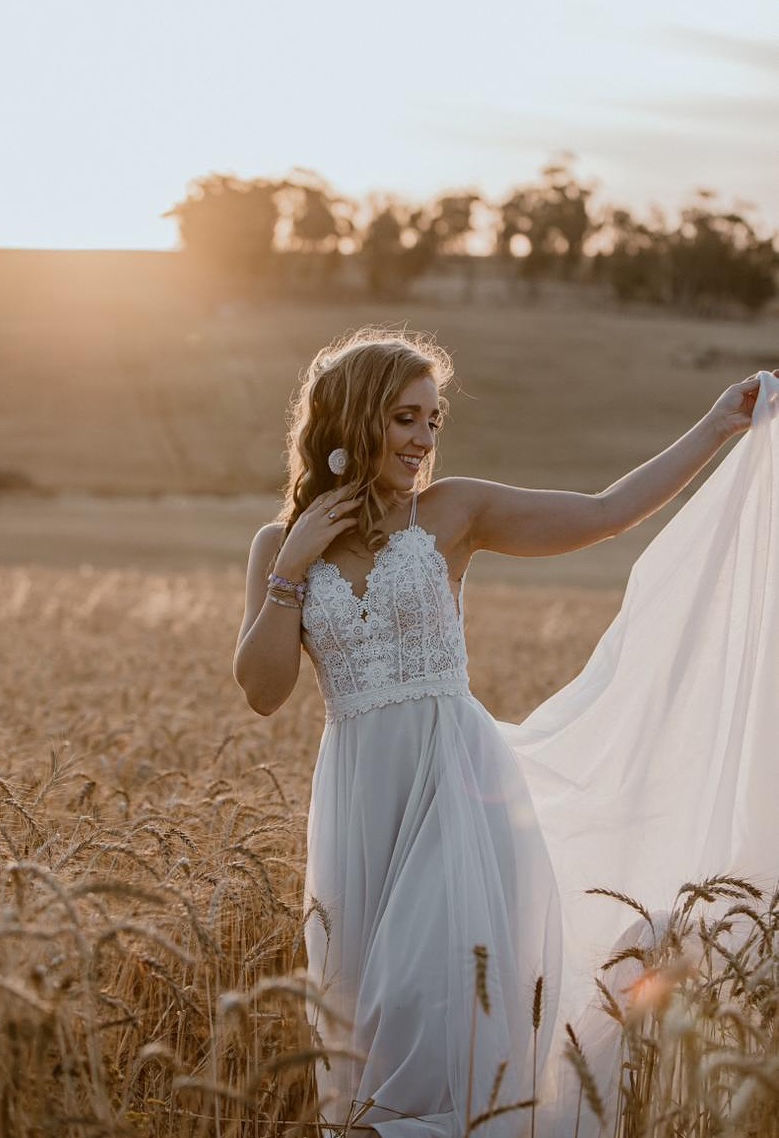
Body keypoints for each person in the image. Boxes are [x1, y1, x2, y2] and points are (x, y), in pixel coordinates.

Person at [233, 326, 778, 1138]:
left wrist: (714, 427)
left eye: (433, 420)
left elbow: (604, 514)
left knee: (442, 1005)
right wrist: (290, 568)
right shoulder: (279, 545)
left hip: (456, 790)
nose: (423, 441)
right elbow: (263, 690)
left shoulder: (454, 512)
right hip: (357, 807)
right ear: (350, 418)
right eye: (405, 419)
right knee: (364, 1034)